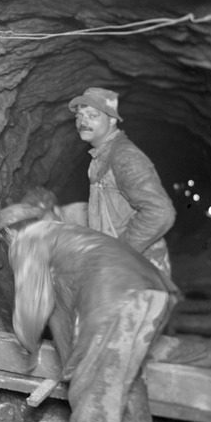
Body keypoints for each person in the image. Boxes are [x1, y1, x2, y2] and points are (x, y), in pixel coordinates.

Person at [0, 202, 179, 422]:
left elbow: (33, 306)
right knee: (125, 380)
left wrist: (27, 341)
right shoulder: (65, 238)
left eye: (3, 239)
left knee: (91, 392)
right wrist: (71, 363)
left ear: (9, 231)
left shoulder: (27, 240)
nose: (5, 244)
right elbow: (59, 312)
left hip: (115, 299)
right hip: (155, 295)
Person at [69, 87, 176, 280]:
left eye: (92, 115)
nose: (83, 122)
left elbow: (160, 212)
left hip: (138, 274)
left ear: (112, 120)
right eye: (79, 116)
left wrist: (119, 253)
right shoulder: (101, 157)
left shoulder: (124, 157)